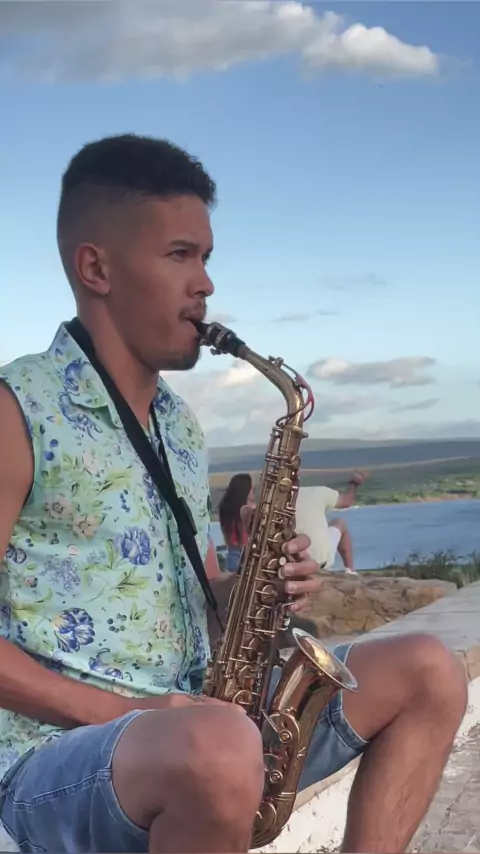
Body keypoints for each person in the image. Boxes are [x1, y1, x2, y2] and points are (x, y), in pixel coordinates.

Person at [0, 134, 467, 854]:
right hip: (48, 761)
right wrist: (130, 712)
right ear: (97, 268)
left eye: (207, 257)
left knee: (430, 671)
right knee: (218, 744)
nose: (207, 284)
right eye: (180, 254)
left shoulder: (181, 427)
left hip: (199, 725)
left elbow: (202, 599)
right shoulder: (17, 409)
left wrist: (255, 587)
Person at [295, 472, 368, 575]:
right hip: (319, 561)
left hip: (285, 561)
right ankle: (351, 571)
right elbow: (346, 501)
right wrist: (354, 484)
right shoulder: (318, 491)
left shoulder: (272, 497)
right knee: (339, 523)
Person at [218, 473, 255, 572]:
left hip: (232, 557)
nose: (253, 492)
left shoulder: (226, 509)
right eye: (251, 489)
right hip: (248, 557)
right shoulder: (251, 510)